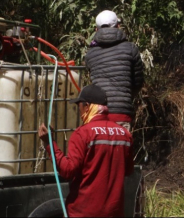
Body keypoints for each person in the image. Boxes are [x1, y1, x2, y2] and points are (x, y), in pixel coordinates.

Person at [38, 84, 133, 217]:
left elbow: (68, 170)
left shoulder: (83, 133)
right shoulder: (125, 134)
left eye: (80, 106)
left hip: (84, 212)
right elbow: (127, 171)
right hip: (114, 213)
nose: (80, 111)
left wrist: (49, 143)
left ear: (87, 106)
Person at [85, 10, 144, 131]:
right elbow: (138, 82)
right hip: (122, 112)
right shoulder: (130, 49)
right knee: (121, 149)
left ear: (96, 30)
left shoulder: (90, 54)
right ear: (118, 26)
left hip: (97, 114)